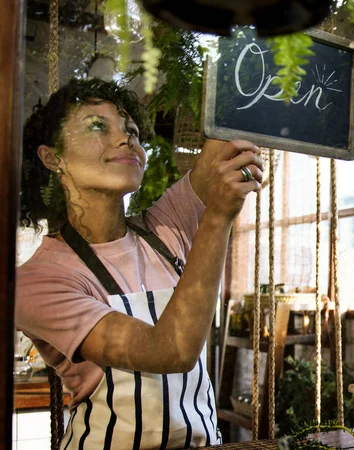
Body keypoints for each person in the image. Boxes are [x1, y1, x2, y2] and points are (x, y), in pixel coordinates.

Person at [16, 78, 263, 449]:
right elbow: (170, 351)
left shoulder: (165, 225)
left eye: (131, 130)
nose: (125, 139)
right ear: (53, 158)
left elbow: (224, 138)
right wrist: (219, 217)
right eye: (98, 126)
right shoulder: (38, 281)